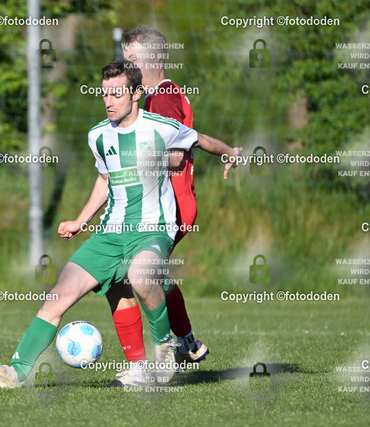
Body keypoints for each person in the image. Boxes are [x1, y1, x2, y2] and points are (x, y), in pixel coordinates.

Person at [0, 59, 237, 388]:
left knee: (141, 276)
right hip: (109, 234)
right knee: (57, 297)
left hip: (152, 229)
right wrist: (80, 220)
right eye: (104, 94)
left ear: (136, 94)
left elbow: (199, 139)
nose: (108, 101)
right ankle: (15, 372)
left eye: (116, 94)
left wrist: (230, 152)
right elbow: (105, 180)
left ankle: (165, 350)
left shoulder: (161, 128)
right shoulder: (98, 135)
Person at [104, 26, 237, 386]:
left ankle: (148, 365)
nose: (127, 66)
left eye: (133, 59)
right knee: (151, 276)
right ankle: (187, 344)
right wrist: (228, 151)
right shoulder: (157, 96)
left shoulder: (162, 97)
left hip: (168, 206)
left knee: (129, 275)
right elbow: (197, 139)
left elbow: (175, 155)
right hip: (168, 204)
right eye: (125, 58)